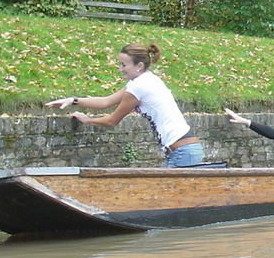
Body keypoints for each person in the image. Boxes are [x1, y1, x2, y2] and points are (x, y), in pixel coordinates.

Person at [45, 43, 204, 168]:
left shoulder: (139, 86)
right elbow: (106, 101)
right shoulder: (146, 80)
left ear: (139, 66)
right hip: (184, 151)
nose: (120, 69)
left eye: (124, 65)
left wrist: (87, 120)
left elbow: (111, 121)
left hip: (183, 153)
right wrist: (73, 100)